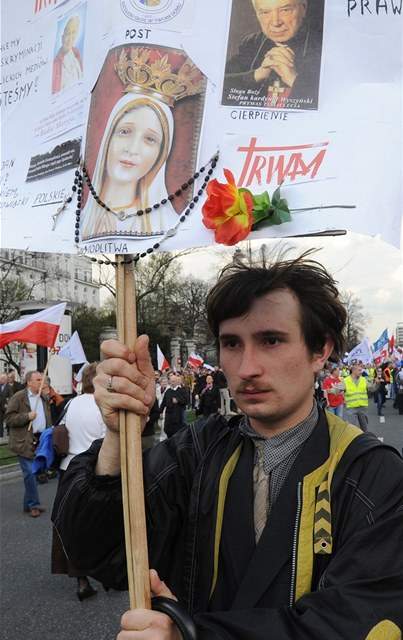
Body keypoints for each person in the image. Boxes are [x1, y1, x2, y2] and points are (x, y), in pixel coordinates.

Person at [52, 253, 403, 639]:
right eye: (231, 343)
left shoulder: (372, 474)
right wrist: (119, 436)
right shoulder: (197, 450)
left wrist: (188, 633)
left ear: (320, 349)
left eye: (271, 340)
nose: (247, 368)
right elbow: (95, 552)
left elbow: (355, 622)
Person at [81, 93, 179, 241]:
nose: (132, 149)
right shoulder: (79, 223)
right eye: (125, 132)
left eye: (150, 139)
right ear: (108, 138)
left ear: (161, 154)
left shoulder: (170, 224)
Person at [51, 363, 106, 601]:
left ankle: (81, 580)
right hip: (96, 470)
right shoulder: (104, 405)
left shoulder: (71, 403)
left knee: (71, 525)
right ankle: (107, 572)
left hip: (68, 472)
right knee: (103, 523)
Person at [222, 0, 323, 110]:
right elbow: (218, 87)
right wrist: (257, 74)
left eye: (285, 10)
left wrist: (293, 79)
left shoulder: (324, 44)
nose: (275, 22)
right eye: (265, 13)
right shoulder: (252, 43)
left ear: (303, 8)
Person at [5, 371, 51, 517]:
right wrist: (27, 416)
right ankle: (34, 505)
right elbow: (9, 418)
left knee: (36, 473)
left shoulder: (42, 398)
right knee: (30, 474)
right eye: (38, 379)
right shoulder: (19, 397)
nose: (41, 381)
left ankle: (28, 504)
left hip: (40, 440)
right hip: (24, 441)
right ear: (29, 382)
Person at [337, 359, 379, 431]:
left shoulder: (363, 379)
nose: (361, 372)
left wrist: (377, 383)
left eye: (361, 370)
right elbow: (336, 389)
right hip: (351, 408)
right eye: (359, 370)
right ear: (354, 371)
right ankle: (354, 441)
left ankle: (365, 440)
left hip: (363, 407)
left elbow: (372, 389)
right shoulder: (346, 380)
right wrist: (330, 391)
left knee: (364, 428)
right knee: (352, 428)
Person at [52, 15, 83, 94]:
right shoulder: (56, 66)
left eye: (73, 33)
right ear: (62, 38)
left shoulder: (77, 56)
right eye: (67, 34)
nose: (70, 39)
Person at [158, 372, 188, 438]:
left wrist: (178, 400)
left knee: (177, 430)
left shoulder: (181, 390)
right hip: (168, 414)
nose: (172, 383)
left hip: (177, 414)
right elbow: (163, 402)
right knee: (167, 429)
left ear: (177, 381)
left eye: (173, 381)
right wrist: (160, 411)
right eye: (171, 381)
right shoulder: (168, 391)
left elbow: (186, 400)